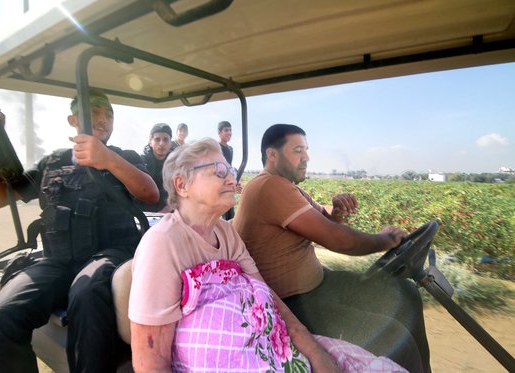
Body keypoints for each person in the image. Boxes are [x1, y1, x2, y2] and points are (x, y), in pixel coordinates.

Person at [127, 138, 407, 372]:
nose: (231, 180)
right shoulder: (162, 245)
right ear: (182, 185)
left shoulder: (225, 233)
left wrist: (317, 354)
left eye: (230, 170)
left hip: (269, 345)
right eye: (218, 171)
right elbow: (151, 362)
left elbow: (267, 297)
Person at [0, 88, 159, 373]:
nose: (103, 118)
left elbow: (151, 193)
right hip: (57, 260)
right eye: (94, 111)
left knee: (88, 294)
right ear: (73, 119)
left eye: (109, 113)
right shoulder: (51, 162)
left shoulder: (122, 157)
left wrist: (107, 159)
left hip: (109, 255)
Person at [232, 124, 431, 373]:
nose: (306, 157)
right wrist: (385, 240)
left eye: (306, 150)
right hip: (294, 304)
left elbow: (324, 218)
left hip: (320, 284)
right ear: (272, 155)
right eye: (297, 150)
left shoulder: (288, 187)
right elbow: (337, 240)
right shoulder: (269, 187)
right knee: (399, 338)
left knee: (406, 292)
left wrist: (336, 212)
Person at [139, 123, 173, 212]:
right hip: (144, 213)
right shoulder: (140, 162)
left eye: (165, 140)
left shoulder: (176, 165)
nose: (161, 143)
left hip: (169, 213)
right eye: (157, 139)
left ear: (170, 143)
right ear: (150, 142)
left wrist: (166, 211)